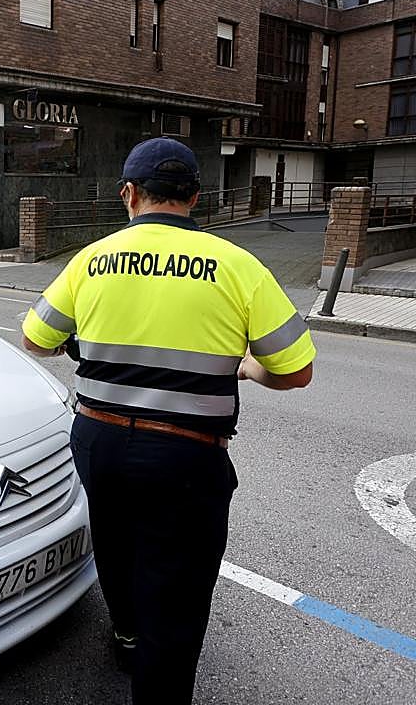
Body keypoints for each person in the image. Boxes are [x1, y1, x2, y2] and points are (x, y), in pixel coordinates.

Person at [20, 137, 315, 705]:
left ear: (129, 194)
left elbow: (36, 339)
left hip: (99, 441)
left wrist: (82, 345)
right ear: (195, 197)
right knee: (176, 591)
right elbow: (296, 371)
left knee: (115, 543)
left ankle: (127, 635)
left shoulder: (90, 259)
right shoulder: (237, 265)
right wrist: (248, 369)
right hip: (185, 454)